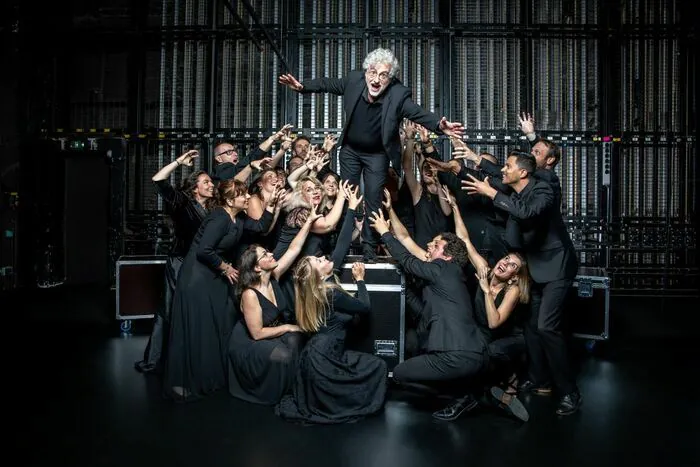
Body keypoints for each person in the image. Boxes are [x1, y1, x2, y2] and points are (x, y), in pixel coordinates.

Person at [278, 47, 465, 262]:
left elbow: (418, 113)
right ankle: (343, 244)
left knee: (373, 201)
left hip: (377, 155)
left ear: (389, 79)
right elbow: (328, 84)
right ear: (366, 72)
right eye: (373, 73)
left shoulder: (398, 94)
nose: (376, 79)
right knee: (348, 197)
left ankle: (369, 247)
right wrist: (302, 87)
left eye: (383, 75)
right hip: (351, 151)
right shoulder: (354, 80)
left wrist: (440, 126)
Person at [463, 150, 581, 415]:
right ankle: (540, 380)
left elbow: (527, 213)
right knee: (530, 325)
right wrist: (467, 160)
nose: (503, 170)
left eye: (508, 166)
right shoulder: (515, 186)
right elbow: (493, 176)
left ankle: (570, 392)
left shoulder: (544, 190)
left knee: (547, 327)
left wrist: (492, 194)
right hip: (534, 267)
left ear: (523, 173)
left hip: (556, 266)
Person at [276, 185, 387, 424]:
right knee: (377, 367)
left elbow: (340, 247)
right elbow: (365, 307)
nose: (324, 257)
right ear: (317, 274)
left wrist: (352, 209)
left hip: (320, 355)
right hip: (323, 361)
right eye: (318, 260)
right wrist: (360, 282)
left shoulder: (317, 287)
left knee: (372, 367)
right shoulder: (328, 292)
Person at [368, 209, 488, 422]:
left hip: (455, 355)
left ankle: (461, 396)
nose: (429, 246)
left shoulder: (443, 268)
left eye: (436, 244)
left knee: (399, 375)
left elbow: (409, 261)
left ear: (448, 255)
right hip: (475, 355)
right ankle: (468, 390)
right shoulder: (451, 278)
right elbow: (422, 311)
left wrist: (385, 233)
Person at [164, 179, 275, 402]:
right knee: (197, 327)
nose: (246, 197)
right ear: (228, 200)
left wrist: (272, 204)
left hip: (213, 277)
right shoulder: (219, 218)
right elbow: (203, 250)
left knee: (214, 325)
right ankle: (184, 381)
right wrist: (225, 267)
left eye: (245, 193)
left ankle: (211, 376)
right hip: (197, 277)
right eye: (241, 194)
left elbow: (260, 226)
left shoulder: (239, 218)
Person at [227, 205, 322, 405]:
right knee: (285, 354)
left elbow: (294, 248)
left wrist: (309, 221)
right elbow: (257, 333)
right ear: (256, 267)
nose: (271, 254)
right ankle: (276, 394)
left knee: (298, 340)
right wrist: (288, 326)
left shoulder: (274, 276)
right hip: (250, 342)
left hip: (270, 332)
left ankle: (297, 389)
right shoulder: (249, 294)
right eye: (265, 255)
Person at [135, 149, 212, 375]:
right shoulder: (183, 202)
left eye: (210, 182)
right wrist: (179, 161)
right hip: (180, 263)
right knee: (168, 310)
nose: (211, 185)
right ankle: (153, 359)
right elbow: (158, 179)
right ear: (194, 187)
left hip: (202, 266)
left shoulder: (213, 208)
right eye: (205, 182)